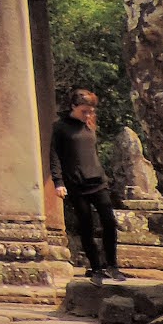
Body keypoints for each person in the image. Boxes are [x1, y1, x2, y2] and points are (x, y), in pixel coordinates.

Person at [50, 88, 124, 281]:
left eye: (91, 111)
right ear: (73, 107)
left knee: (109, 222)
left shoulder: (90, 124)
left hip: (97, 181)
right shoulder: (60, 127)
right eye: (84, 111)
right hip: (76, 184)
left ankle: (112, 265)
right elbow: (55, 156)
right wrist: (58, 182)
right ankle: (96, 267)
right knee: (86, 226)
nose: (89, 114)